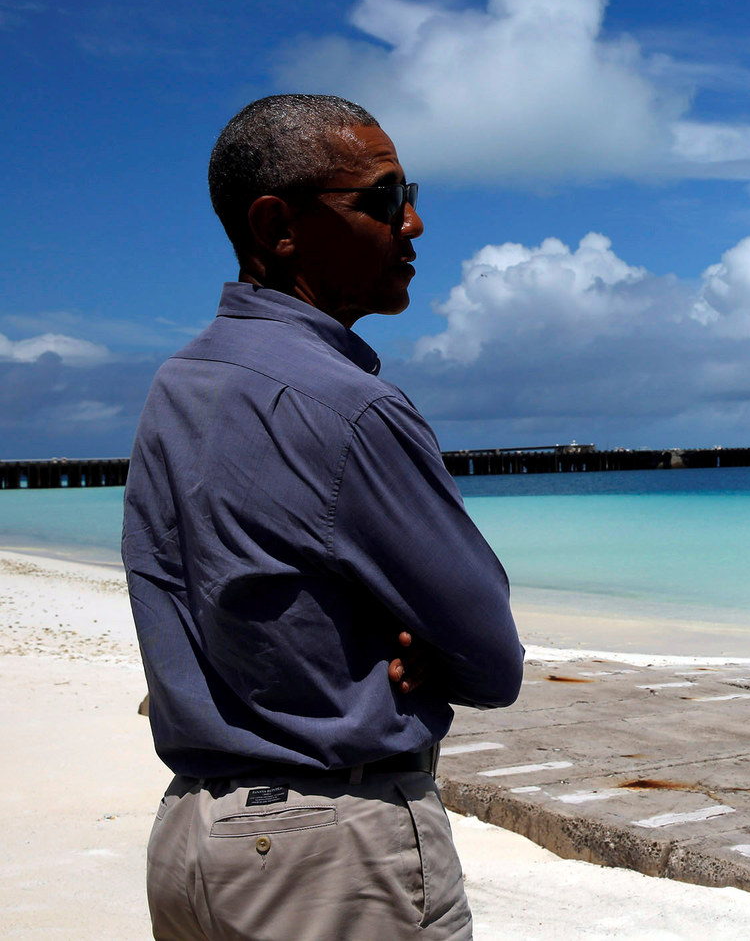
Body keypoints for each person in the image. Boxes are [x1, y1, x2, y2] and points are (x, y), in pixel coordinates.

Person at [123, 94, 525, 940]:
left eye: (409, 193)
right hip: (329, 852)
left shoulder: (177, 386)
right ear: (278, 227)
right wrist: (428, 652)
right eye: (383, 199)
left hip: (193, 842)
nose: (412, 222)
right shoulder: (351, 409)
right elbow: (492, 657)